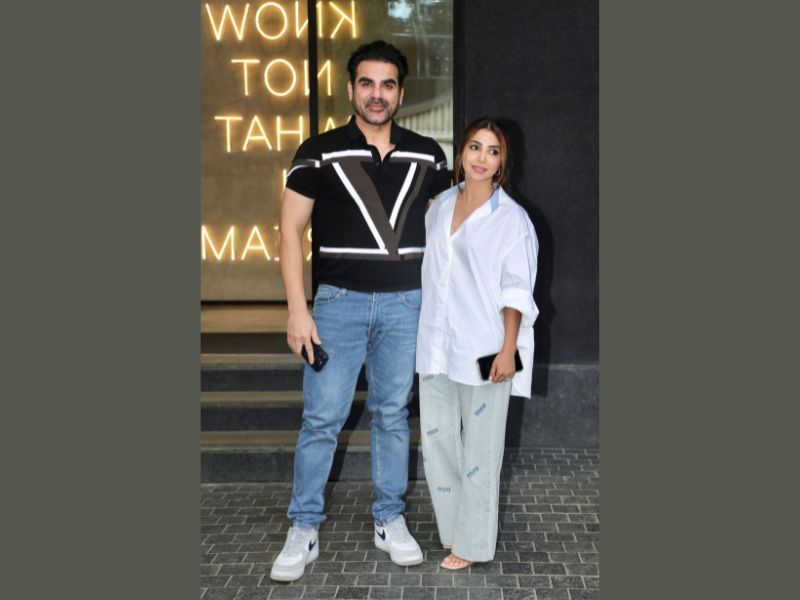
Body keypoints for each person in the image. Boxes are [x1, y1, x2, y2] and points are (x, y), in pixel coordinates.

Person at [270, 40, 451, 582]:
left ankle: (389, 519)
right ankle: (303, 527)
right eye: (367, 83)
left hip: (406, 306)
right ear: (350, 89)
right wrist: (297, 310)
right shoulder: (318, 150)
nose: (377, 94)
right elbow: (288, 232)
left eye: (387, 84)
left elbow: (449, 234)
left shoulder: (429, 155)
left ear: (400, 93)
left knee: (393, 415)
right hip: (337, 306)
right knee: (322, 419)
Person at [416, 117, 539, 570]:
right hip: (436, 343)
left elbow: (516, 289)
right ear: (461, 153)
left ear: (502, 161)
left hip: (486, 349)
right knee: (437, 443)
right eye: (474, 147)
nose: (482, 158)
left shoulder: (512, 220)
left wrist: (508, 350)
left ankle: (473, 544)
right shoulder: (440, 206)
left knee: (481, 453)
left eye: (493, 150)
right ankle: (454, 532)